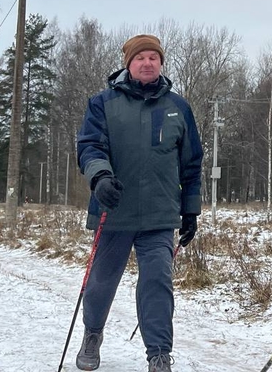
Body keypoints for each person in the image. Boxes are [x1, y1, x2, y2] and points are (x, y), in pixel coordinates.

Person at [75, 34, 203, 372]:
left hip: (160, 214)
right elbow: (90, 147)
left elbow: (192, 163)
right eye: (140, 58)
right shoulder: (102, 103)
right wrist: (100, 177)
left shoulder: (179, 107)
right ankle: (92, 333)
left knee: (157, 281)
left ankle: (159, 353)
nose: (147, 63)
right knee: (101, 281)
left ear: (161, 63)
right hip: (113, 211)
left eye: (153, 58)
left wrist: (190, 210)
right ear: (128, 64)